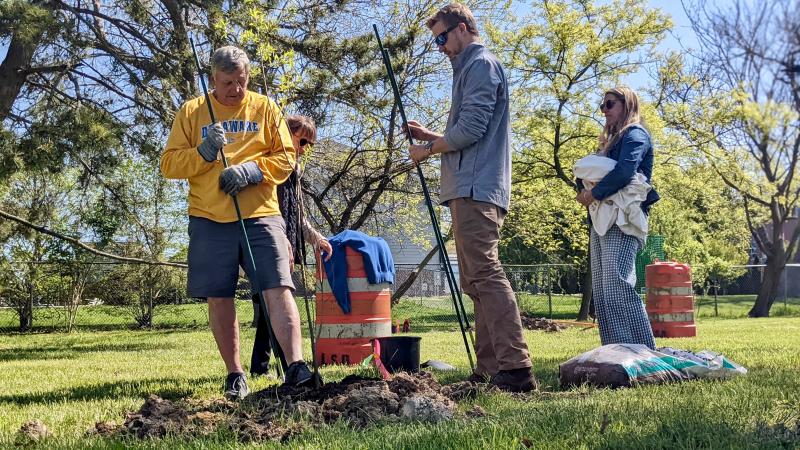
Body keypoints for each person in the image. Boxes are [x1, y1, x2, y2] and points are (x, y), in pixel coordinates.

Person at [161, 46, 314, 399]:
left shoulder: (265, 107)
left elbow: (287, 157)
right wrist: (201, 153)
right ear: (213, 78)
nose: (236, 90)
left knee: (278, 286)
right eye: (228, 82)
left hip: (261, 214)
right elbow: (169, 165)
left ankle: (296, 365)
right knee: (220, 296)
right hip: (209, 217)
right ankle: (235, 374)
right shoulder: (192, 112)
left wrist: (252, 171)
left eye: (241, 81)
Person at [405, 3, 535, 392]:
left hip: (477, 189)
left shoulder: (480, 65)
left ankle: (516, 368)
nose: (441, 46)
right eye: (436, 41)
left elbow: (472, 129)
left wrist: (427, 151)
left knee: (485, 274)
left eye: (443, 37)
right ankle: (491, 368)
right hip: (470, 188)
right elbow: (466, 129)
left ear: (463, 28)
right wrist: (432, 136)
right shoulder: (470, 69)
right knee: (475, 280)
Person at [575, 86, 660, 349]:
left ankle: (643, 350)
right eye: (602, 106)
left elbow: (625, 171)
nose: (604, 110)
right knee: (602, 290)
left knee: (618, 284)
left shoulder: (635, 134)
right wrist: (582, 188)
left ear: (627, 104)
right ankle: (614, 350)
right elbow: (586, 174)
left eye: (609, 104)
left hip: (623, 218)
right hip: (601, 220)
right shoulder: (609, 142)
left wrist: (594, 194)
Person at [250, 115, 332, 378]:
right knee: (271, 304)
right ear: (286, 135)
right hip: (269, 241)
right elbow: (267, 208)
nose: (305, 147)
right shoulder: (273, 166)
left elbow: (298, 214)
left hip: (287, 243)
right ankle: (287, 366)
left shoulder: (294, 170)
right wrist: (279, 238)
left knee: (270, 306)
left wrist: (315, 238)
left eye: (310, 143)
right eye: (303, 140)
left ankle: (263, 368)